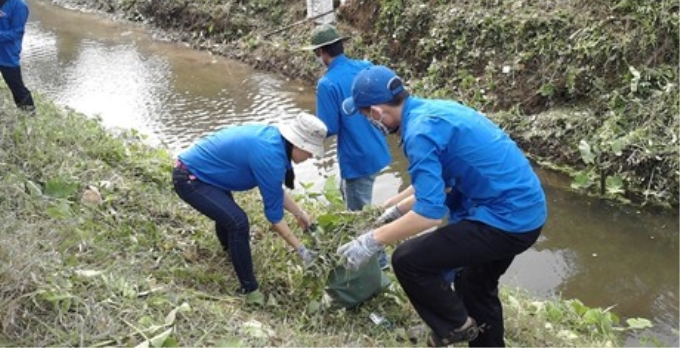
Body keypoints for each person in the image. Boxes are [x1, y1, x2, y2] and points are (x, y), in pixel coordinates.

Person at [337, 65, 547, 347]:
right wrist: (395, 210)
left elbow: (430, 212)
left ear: (376, 112)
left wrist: (371, 240)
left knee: (408, 260)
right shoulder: (432, 112)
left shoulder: (419, 133)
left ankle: (455, 327)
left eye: (364, 115)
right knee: (475, 287)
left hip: (505, 220)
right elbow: (439, 185)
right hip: (527, 210)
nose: (368, 121)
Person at [173, 112, 326, 303]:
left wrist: (300, 214)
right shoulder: (270, 155)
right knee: (238, 223)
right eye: (310, 151)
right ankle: (250, 290)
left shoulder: (275, 142)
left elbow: (274, 190)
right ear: (299, 144)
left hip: (210, 177)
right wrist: (302, 250)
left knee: (229, 215)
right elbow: (275, 218)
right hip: (191, 178)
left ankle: (231, 252)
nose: (311, 156)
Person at [302, 25, 391, 212]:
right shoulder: (365, 67)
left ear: (320, 52)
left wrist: (305, 132)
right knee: (348, 191)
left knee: (359, 214)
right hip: (377, 149)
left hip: (357, 158)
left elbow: (329, 127)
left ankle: (369, 238)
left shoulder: (327, 83)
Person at [0, 0, 35, 111]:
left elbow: (16, 33)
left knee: (18, 89)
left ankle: (30, 115)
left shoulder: (19, 5)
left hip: (7, 55)